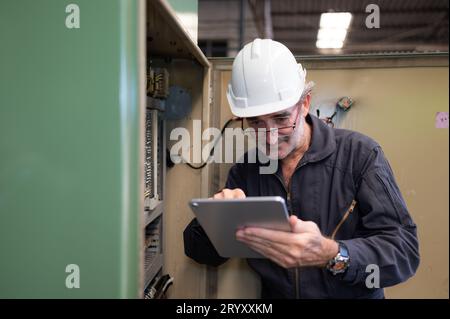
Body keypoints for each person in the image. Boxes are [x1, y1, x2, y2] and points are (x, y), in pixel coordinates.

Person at [183, 38, 419, 299]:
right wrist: (215, 219)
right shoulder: (246, 172)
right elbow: (199, 252)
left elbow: (404, 252)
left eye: (282, 119)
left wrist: (332, 254)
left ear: (305, 103)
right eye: (256, 123)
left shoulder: (360, 156)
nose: (270, 137)